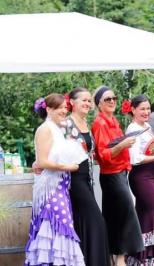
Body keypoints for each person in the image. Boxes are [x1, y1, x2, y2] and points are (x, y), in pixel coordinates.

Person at [25, 93, 85, 266]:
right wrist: (68, 167)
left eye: (65, 107)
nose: (64, 110)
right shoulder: (45, 129)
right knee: (56, 224)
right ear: (49, 109)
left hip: (61, 185)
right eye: (60, 108)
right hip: (50, 188)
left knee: (60, 226)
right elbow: (43, 161)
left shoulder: (57, 129)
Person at [91, 86, 144, 266]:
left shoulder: (112, 120)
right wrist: (123, 145)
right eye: (107, 99)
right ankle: (120, 256)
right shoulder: (100, 123)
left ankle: (116, 256)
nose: (112, 101)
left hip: (120, 173)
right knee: (126, 212)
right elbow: (103, 154)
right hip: (111, 175)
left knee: (116, 215)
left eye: (114, 98)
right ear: (99, 104)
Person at [64, 87, 110, 266]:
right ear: (72, 103)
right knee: (96, 221)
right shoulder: (66, 124)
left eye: (89, 101)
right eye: (83, 100)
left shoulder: (86, 124)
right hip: (73, 180)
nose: (87, 103)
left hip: (88, 179)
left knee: (82, 223)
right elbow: (55, 149)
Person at [124, 94, 154, 266]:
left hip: (151, 175)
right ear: (133, 110)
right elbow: (135, 158)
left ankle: (143, 258)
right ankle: (150, 257)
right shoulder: (132, 129)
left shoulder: (146, 126)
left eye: (148, 108)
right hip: (141, 175)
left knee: (145, 215)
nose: (146, 112)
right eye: (142, 109)